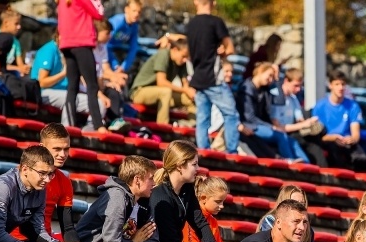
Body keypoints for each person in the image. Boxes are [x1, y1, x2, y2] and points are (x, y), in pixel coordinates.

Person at [5, 127, 125, 242]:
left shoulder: (63, 181)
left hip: (48, 240)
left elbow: (68, 226)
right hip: (20, 241)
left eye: (66, 149)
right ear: (42, 147)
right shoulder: (28, 176)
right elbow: (23, 225)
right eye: (57, 149)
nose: (63, 154)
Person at [76, 155, 178, 242]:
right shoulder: (117, 196)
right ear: (137, 180)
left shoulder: (145, 202)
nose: (154, 183)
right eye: (150, 178)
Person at [150, 141, 222, 242]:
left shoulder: (186, 190)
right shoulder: (160, 196)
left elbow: (200, 223)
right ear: (179, 166)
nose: (198, 169)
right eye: (194, 164)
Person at [187, 0, 240, 154]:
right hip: (213, 78)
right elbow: (230, 48)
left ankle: (203, 151)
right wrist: (221, 51)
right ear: (214, 3)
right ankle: (232, 152)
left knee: (202, 119)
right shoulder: (216, 22)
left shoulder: (190, 25)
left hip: (198, 78)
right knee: (231, 114)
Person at [32, 31, 107, 132]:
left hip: (64, 91)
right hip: (45, 92)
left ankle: (89, 129)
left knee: (100, 104)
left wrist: (99, 95)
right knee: (71, 99)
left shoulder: (70, 51)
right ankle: (66, 131)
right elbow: (42, 82)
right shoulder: (49, 50)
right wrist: (63, 74)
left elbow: (84, 79)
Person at [237, 63, 310, 162]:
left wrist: (276, 78)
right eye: (270, 75)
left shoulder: (264, 90)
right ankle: (291, 163)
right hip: (251, 125)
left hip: (259, 124)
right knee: (281, 136)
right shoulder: (247, 88)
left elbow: (279, 100)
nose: (271, 79)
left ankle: (307, 165)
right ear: (261, 71)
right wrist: (271, 126)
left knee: (292, 141)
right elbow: (249, 117)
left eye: (272, 76)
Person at [57, 0, 107, 134]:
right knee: (92, 85)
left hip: (67, 44)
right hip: (81, 43)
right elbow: (99, 14)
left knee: (72, 86)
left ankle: (70, 124)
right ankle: (98, 125)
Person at [312, 70, 366, 172]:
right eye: (337, 84)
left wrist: (352, 139)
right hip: (330, 142)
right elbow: (318, 136)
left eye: (343, 84)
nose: (340, 87)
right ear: (330, 86)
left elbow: (356, 133)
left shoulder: (353, 106)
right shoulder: (320, 107)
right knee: (335, 157)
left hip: (347, 142)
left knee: (362, 160)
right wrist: (333, 137)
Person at [270, 68, 327, 167]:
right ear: (286, 81)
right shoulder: (274, 96)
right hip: (280, 133)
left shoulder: (293, 98)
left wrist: (309, 124)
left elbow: (299, 119)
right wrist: (304, 124)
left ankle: (317, 168)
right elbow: (280, 127)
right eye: (295, 85)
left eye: (300, 86)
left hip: (291, 133)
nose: (298, 89)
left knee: (314, 140)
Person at [131, 38, 195, 125]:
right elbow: (161, 82)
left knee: (188, 97)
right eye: (183, 56)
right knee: (166, 91)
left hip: (160, 95)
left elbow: (185, 86)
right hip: (139, 92)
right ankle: (163, 126)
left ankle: (193, 126)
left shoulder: (181, 62)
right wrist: (185, 90)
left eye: (187, 57)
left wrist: (191, 92)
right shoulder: (163, 55)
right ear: (175, 50)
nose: (185, 60)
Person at [93, 19, 128, 130]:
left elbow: (105, 69)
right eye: (107, 33)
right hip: (89, 85)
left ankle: (115, 121)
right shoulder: (88, 48)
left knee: (114, 89)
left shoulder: (102, 48)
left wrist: (115, 78)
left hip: (99, 82)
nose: (110, 37)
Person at [182, 175, 228, 242]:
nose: (222, 206)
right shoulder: (189, 218)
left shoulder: (213, 221)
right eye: (218, 201)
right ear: (203, 198)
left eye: (223, 202)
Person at [0, 9, 30, 76]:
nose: (19, 27)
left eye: (19, 24)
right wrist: (18, 68)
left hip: (7, 72)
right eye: (16, 24)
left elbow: (20, 64)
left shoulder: (15, 42)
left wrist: (24, 68)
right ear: (6, 23)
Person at [107, 0, 142, 75]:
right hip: (107, 51)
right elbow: (105, 45)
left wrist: (123, 67)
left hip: (118, 48)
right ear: (126, 10)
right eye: (134, 11)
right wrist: (115, 65)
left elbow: (133, 47)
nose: (136, 14)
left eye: (139, 12)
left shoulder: (134, 26)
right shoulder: (117, 22)